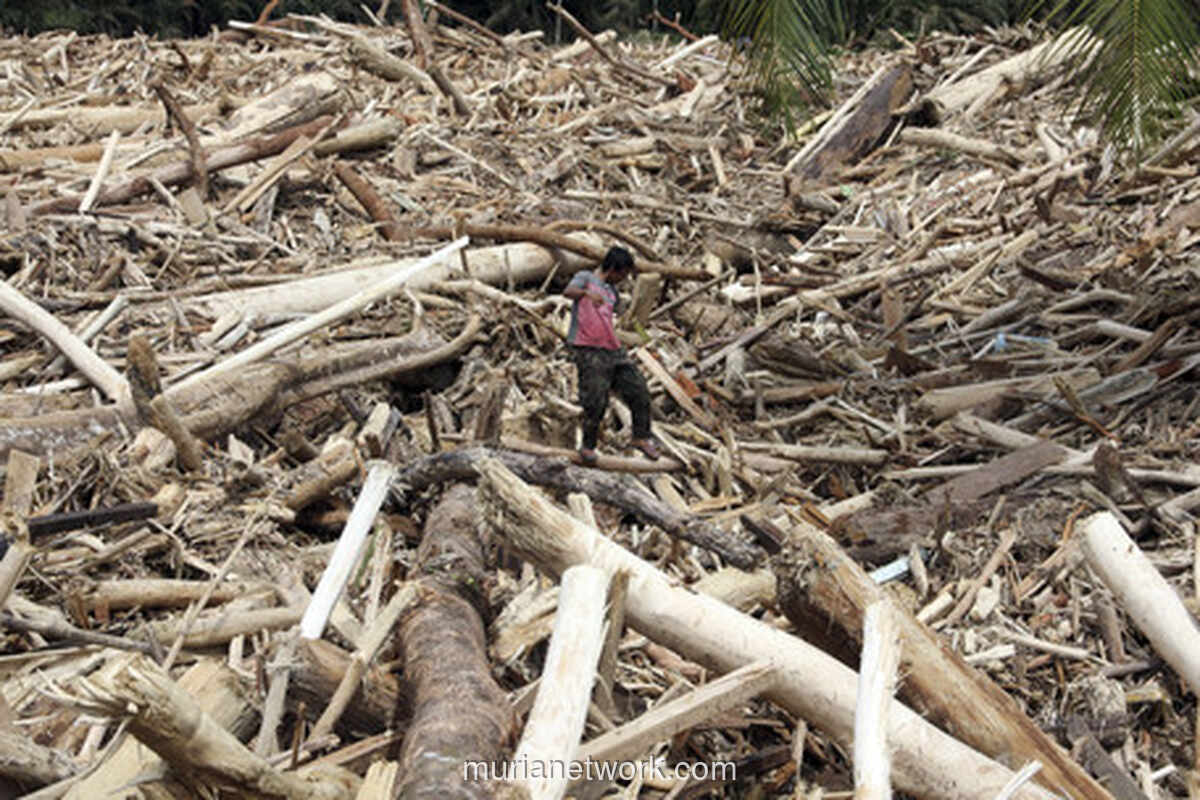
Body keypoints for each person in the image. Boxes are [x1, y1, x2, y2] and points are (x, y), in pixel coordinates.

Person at [562, 246, 659, 465]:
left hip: (613, 349)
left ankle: (641, 437)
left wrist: (643, 334)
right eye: (623, 273)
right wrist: (587, 293)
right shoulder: (585, 278)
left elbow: (626, 319)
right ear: (613, 268)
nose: (624, 279)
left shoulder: (613, 292)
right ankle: (588, 446)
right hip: (588, 348)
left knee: (639, 389)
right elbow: (568, 292)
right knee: (596, 400)